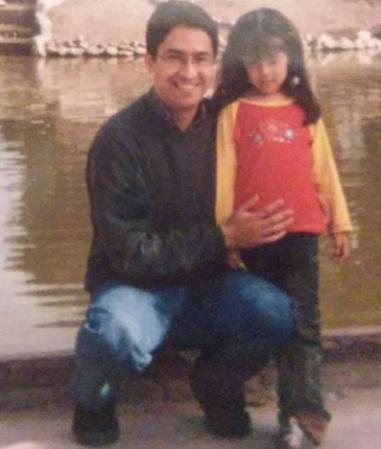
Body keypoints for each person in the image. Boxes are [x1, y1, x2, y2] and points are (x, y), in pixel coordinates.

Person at [71, 2, 297, 446]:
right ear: (150, 61)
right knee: (114, 332)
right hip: (135, 289)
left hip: (209, 286)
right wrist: (224, 237)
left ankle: (215, 383)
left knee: (278, 311)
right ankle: (94, 400)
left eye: (201, 59)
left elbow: (275, 180)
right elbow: (130, 254)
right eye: (175, 57)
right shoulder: (119, 140)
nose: (189, 73)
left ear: (215, 65)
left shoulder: (228, 126)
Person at [212, 8, 353, 448]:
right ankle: (238, 390)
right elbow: (224, 176)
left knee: (304, 323)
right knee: (255, 320)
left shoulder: (305, 110)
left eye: (273, 60)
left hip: (302, 233)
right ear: (240, 63)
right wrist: (225, 235)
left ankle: (303, 412)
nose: (265, 71)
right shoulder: (232, 112)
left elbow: (324, 171)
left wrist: (340, 222)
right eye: (254, 62)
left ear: (290, 57)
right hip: (253, 235)